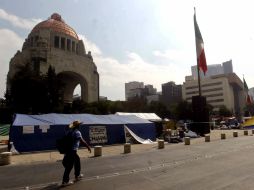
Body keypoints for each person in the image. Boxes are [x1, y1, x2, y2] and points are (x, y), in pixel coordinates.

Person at [62, 120, 91, 186]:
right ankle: (65, 181)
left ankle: (77, 175)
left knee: (77, 161)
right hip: (72, 151)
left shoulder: (69, 131)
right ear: (78, 126)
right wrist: (88, 146)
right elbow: (82, 141)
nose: (80, 126)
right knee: (69, 166)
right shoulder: (77, 132)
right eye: (79, 125)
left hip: (68, 150)